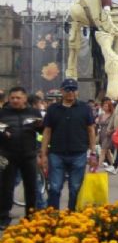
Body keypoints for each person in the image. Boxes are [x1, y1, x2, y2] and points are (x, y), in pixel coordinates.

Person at [40, 78, 98, 211]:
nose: (70, 92)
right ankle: (52, 216)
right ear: (62, 91)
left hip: (79, 153)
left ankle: (72, 215)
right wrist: (43, 154)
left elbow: (91, 130)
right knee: (54, 187)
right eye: (67, 89)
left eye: (73, 89)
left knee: (75, 188)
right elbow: (47, 131)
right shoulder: (53, 109)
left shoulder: (85, 108)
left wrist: (93, 152)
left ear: (77, 91)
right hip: (56, 153)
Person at [0, 86, 44, 226]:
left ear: (24, 98)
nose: (15, 100)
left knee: (31, 187)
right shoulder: (3, 113)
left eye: (18, 98)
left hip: (28, 155)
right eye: (12, 98)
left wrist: (40, 126)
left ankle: (30, 217)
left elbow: (42, 131)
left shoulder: (34, 112)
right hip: (8, 155)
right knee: (6, 188)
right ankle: (3, 217)